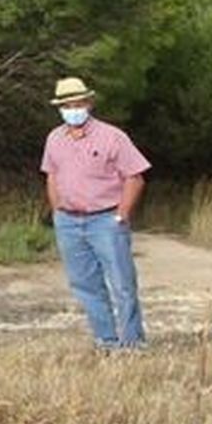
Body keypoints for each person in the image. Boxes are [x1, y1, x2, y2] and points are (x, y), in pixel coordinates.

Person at [40, 77, 150, 350]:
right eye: (66, 105)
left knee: (122, 283)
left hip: (105, 218)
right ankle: (106, 340)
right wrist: (56, 212)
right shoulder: (54, 138)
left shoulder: (113, 136)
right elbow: (51, 175)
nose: (72, 109)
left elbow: (135, 177)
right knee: (84, 284)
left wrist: (121, 215)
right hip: (68, 220)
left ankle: (132, 342)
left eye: (77, 104)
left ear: (88, 103)